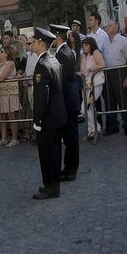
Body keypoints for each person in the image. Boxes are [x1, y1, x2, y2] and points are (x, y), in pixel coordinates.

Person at [28, 28, 65, 200]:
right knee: (55, 152)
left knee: (48, 153)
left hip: (48, 117)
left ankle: (51, 186)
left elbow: (42, 96)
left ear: (41, 42)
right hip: (56, 115)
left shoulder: (42, 65)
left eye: (34, 41)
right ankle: (53, 184)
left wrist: (38, 119)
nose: (32, 44)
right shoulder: (53, 60)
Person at [49, 24, 80, 181]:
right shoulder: (65, 51)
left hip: (68, 101)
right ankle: (69, 167)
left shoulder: (63, 54)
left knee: (71, 137)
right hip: (69, 99)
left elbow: (61, 80)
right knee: (70, 137)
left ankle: (70, 169)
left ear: (57, 37)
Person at [0, 43, 21, 147]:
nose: (0, 53)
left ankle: (14, 139)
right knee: (2, 116)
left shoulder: (10, 63)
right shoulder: (1, 64)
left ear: (7, 53)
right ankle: (4, 138)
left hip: (9, 91)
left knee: (11, 115)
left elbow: (1, 77)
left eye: (2, 52)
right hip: (1, 92)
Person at [79, 37, 106, 142]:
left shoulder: (95, 52)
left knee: (85, 107)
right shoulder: (84, 56)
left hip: (96, 83)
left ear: (91, 45)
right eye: (83, 45)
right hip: (87, 85)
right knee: (86, 108)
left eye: (86, 45)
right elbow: (82, 70)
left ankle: (95, 129)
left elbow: (102, 64)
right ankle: (92, 129)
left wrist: (90, 69)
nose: (84, 47)